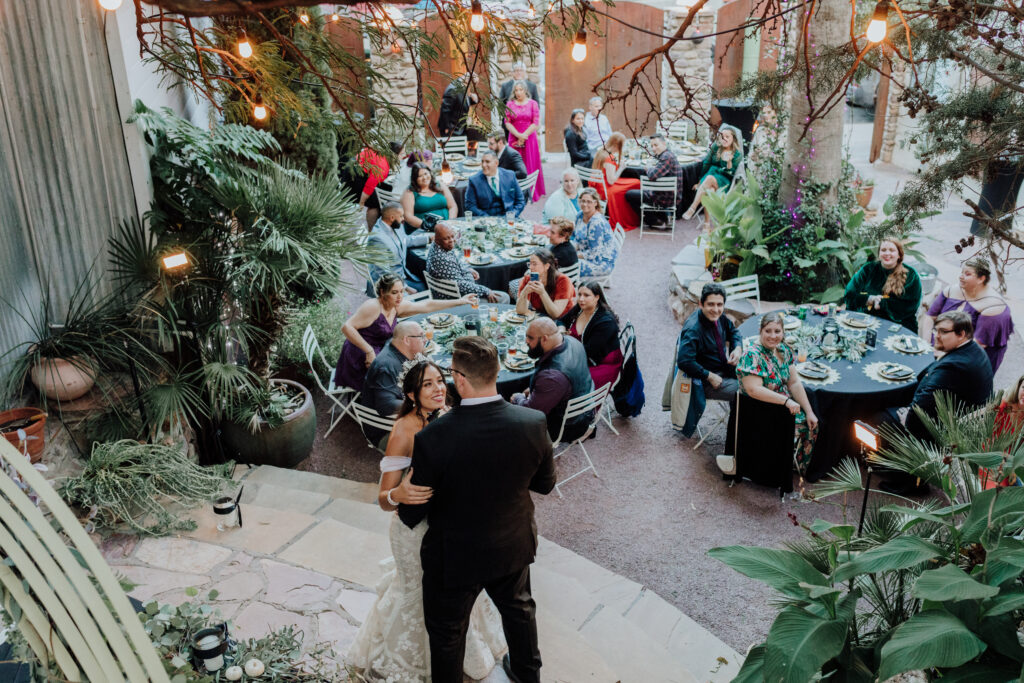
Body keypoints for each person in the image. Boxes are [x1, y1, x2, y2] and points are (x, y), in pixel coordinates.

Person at [399, 337, 556, 683]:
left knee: (447, 637)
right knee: (520, 614)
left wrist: (399, 492)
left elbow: (410, 514)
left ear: (460, 379)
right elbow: (545, 485)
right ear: (497, 370)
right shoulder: (532, 423)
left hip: (453, 557)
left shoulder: (434, 437)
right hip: (511, 545)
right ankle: (529, 677)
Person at [348, 359, 508, 680]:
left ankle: (463, 653)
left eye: (440, 381)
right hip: (414, 532)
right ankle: (412, 659)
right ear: (411, 394)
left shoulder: (455, 415)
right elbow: (382, 499)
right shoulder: (404, 430)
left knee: (458, 595)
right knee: (419, 596)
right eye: (427, 384)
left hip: (454, 529)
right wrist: (399, 495)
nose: (438, 389)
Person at [875, 311, 994, 495]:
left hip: (948, 430)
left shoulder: (955, 366)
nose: (936, 336)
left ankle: (911, 482)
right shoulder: (972, 351)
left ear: (961, 334)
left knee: (881, 419)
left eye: (943, 332)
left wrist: (907, 415)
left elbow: (922, 407)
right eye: (936, 330)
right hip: (959, 416)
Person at [717, 311, 819, 477]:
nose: (773, 336)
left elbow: (793, 382)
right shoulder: (752, 355)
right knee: (799, 424)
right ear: (760, 330)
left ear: (783, 332)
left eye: (777, 331)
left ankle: (790, 465)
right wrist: (786, 402)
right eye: (768, 331)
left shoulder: (784, 350)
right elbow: (753, 390)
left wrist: (809, 411)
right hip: (759, 410)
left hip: (781, 405)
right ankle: (777, 470)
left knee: (814, 419)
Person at [335, 273, 477, 391]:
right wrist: (369, 351)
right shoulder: (373, 307)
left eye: (402, 291)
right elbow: (346, 327)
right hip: (359, 353)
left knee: (413, 362)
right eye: (394, 292)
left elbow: (427, 305)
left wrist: (460, 301)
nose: (399, 296)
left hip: (381, 350)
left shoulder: (396, 306)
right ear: (383, 292)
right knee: (403, 374)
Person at [921, 257, 1014, 372]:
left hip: (969, 360)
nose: (961, 276)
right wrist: (926, 346)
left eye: (967, 274)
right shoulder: (951, 290)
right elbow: (930, 316)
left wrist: (944, 355)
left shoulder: (994, 307)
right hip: (940, 347)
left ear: (981, 279)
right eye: (961, 272)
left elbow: (978, 344)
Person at [512, 317, 596, 442]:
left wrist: (518, 398)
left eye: (530, 338)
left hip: (567, 427)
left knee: (509, 418)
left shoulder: (552, 377)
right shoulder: (573, 341)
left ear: (545, 338)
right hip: (583, 409)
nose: (526, 341)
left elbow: (532, 412)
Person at [358, 321, 428, 447]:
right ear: (406, 340)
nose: (425, 339)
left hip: (397, 419)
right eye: (421, 336)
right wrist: (422, 404)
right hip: (386, 431)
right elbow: (386, 406)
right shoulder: (386, 366)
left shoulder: (396, 347)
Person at [843, 237, 923, 331]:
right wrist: (870, 299)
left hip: (899, 325)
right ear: (879, 254)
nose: (887, 253)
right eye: (883, 250)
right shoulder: (868, 269)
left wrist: (881, 303)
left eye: (892, 250)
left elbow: (910, 306)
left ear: (899, 255)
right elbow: (849, 294)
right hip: (866, 321)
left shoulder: (911, 275)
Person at [559, 281, 623, 388]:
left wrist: (563, 342)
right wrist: (561, 330)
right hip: (578, 354)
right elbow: (560, 321)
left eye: (586, 295)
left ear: (597, 297)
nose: (581, 299)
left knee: (566, 380)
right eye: (579, 294)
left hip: (601, 363)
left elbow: (589, 353)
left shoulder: (605, 322)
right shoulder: (580, 308)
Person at [426, 223, 510, 303]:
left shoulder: (436, 247)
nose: (452, 240)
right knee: (504, 297)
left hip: (450, 290)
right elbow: (461, 286)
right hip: (455, 300)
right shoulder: (442, 259)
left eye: (452, 236)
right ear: (437, 239)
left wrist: (467, 270)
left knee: (474, 277)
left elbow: (456, 266)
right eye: (446, 238)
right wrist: (486, 291)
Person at [682, 125, 744, 221]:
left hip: (724, 181)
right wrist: (699, 181)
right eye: (722, 137)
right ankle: (707, 225)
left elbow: (730, 172)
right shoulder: (716, 147)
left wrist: (729, 162)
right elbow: (706, 163)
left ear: (733, 139)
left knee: (710, 179)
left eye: (727, 137)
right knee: (710, 191)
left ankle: (692, 208)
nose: (724, 139)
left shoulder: (737, 154)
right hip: (710, 176)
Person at [367, 202, 430, 293]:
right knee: (422, 294)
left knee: (425, 286)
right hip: (388, 286)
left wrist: (428, 238)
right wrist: (406, 288)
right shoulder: (377, 239)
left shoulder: (396, 224)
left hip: (403, 275)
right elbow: (384, 273)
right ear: (392, 218)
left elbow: (405, 240)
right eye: (401, 216)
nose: (403, 219)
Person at [623, 134, 685, 228]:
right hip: (668, 194)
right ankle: (663, 217)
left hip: (666, 198)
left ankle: (653, 221)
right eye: (652, 146)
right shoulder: (668, 154)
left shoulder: (666, 157)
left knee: (629, 194)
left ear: (664, 144)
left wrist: (648, 168)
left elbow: (652, 175)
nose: (653, 148)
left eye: (656, 145)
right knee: (642, 190)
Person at [591, 132, 641, 229]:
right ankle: (632, 216)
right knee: (637, 182)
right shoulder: (610, 157)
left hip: (599, 186)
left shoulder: (601, 151)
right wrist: (621, 168)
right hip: (605, 188)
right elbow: (611, 181)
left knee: (634, 182)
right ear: (617, 145)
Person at [505, 83, 546, 201]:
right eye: (516, 90)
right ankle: (515, 191)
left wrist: (524, 136)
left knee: (530, 162)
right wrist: (518, 135)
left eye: (520, 90)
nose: (518, 92)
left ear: (525, 90)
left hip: (529, 138)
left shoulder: (533, 103)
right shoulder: (510, 104)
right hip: (514, 137)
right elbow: (507, 122)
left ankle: (531, 191)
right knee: (514, 163)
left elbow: (536, 122)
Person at [516, 249, 576, 319]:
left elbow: (556, 314)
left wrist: (542, 293)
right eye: (530, 264)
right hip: (541, 317)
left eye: (534, 264)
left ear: (547, 266)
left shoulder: (563, 281)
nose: (530, 268)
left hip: (562, 320)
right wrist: (524, 293)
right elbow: (520, 311)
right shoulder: (528, 279)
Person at [573, 188, 620, 278]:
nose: (585, 204)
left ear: (595, 203)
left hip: (601, 262)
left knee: (568, 265)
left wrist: (573, 255)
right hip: (586, 251)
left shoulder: (596, 223)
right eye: (583, 201)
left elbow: (594, 254)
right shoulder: (579, 215)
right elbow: (576, 238)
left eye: (589, 202)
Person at [464, 151, 526, 218]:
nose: (483, 165)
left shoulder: (510, 176)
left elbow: (520, 201)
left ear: (496, 163)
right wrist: (484, 216)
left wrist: (512, 215)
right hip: (486, 220)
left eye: (487, 162)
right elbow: (469, 205)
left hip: (508, 219)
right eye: (482, 162)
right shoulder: (474, 180)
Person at [401, 162, 458, 229]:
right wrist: (428, 226)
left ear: (430, 173)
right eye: (420, 176)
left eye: (426, 173)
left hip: (447, 226)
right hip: (423, 228)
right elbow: (408, 216)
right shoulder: (409, 192)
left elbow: (453, 206)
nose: (424, 178)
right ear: (414, 179)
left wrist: (450, 222)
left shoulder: (440, 185)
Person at [438, 72, 480, 137]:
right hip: (452, 131)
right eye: (473, 85)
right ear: (469, 82)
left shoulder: (462, 87)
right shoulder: (453, 89)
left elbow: (461, 104)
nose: (472, 88)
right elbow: (445, 110)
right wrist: (447, 128)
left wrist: (473, 99)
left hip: (460, 130)